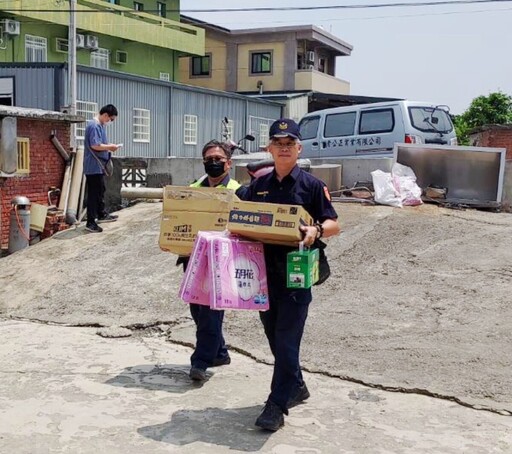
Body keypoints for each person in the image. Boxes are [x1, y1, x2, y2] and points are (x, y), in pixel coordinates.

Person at [238, 118, 341, 431]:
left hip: (297, 272)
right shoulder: (258, 186)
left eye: (289, 144)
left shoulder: (310, 186)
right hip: (265, 275)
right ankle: (296, 385)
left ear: (299, 148)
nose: (283, 149)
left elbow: (335, 223)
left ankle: (276, 405)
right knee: (273, 335)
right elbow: (236, 212)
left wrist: (317, 229)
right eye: (278, 144)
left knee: (286, 340)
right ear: (269, 148)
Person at [178, 140, 243, 382]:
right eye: (209, 159)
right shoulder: (194, 188)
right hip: (193, 257)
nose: (213, 163)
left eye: (218, 159)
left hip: (221, 260)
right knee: (197, 309)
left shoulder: (239, 191)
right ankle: (219, 352)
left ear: (229, 163)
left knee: (210, 312)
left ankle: (201, 361)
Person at [83, 104, 120, 233]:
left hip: (98, 166)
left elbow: (100, 144)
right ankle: (91, 222)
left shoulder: (100, 126)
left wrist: (109, 146)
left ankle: (101, 213)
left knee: (100, 190)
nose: (110, 122)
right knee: (94, 193)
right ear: (105, 115)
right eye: (111, 119)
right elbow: (95, 145)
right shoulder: (94, 126)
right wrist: (109, 147)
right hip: (93, 165)